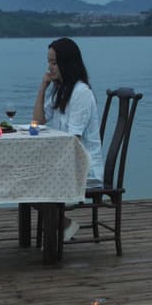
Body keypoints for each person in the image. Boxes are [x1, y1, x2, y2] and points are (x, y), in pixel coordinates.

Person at [31, 37, 103, 240]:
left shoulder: (81, 92)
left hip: (83, 168)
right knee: (26, 178)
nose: (49, 67)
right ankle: (60, 224)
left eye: (54, 62)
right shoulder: (59, 90)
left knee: (33, 181)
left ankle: (61, 225)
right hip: (64, 163)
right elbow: (37, 122)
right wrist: (43, 87)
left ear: (66, 63)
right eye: (49, 62)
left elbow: (74, 141)